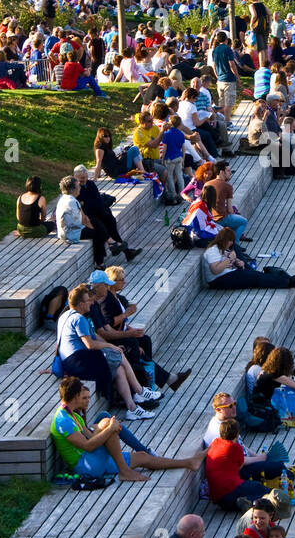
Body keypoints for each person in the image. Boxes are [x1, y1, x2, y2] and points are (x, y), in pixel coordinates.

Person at [49, 377, 204, 484]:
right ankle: (124, 471)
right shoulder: (64, 421)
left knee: (142, 457)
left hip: (94, 459)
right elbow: (88, 446)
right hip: (86, 466)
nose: (86, 399)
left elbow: (90, 437)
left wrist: (104, 428)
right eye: (83, 396)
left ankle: (189, 462)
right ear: (75, 396)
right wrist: (109, 429)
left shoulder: (73, 414)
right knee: (108, 425)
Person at [55, 285, 159, 420]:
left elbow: (63, 342)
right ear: (81, 304)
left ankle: (132, 407)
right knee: (119, 354)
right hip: (78, 361)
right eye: (88, 301)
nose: (92, 303)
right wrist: (110, 346)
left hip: (70, 361)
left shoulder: (65, 316)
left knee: (119, 368)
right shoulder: (79, 319)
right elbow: (90, 344)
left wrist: (109, 347)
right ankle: (140, 391)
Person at [205, 419, 288, 511]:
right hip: (231, 489)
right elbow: (240, 466)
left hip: (218, 497)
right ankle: (279, 500)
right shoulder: (235, 447)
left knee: (248, 490)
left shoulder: (215, 442)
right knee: (257, 487)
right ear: (237, 434)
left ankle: (242, 503)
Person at [202, 227, 295, 290]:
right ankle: (289, 282)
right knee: (256, 278)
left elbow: (224, 264)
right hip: (218, 281)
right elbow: (215, 270)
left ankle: (288, 280)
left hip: (229, 274)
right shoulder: (212, 251)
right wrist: (229, 259)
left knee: (256, 275)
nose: (232, 243)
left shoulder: (223, 249)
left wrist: (237, 263)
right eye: (230, 241)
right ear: (224, 239)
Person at [56, 174, 107, 267]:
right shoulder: (73, 202)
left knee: (96, 223)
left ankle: (106, 250)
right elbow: (84, 221)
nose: (80, 187)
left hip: (64, 231)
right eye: (78, 186)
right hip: (71, 234)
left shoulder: (63, 198)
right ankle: (100, 263)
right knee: (98, 234)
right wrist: (93, 229)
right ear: (73, 189)